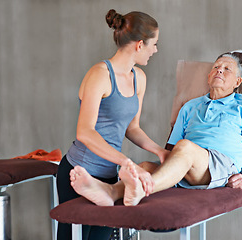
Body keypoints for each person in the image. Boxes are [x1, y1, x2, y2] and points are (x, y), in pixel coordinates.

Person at [69, 53, 242, 208]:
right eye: (216, 67)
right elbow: (172, 150)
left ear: (238, 82)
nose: (219, 71)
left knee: (185, 148)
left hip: (222, 166)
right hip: (187, 163)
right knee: (146, 166)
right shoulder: (190, 106)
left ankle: (144, 188)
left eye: (227, 69)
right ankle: (109, 192)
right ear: (208, 76)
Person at [56, 9, 169, 240]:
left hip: (108, 176)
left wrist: (158, 150)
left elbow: (132, 128)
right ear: (139, 44)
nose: (155, 50)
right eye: (154, 44)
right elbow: (85, 131)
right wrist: (127, 163)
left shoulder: (139, 78)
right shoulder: (100, 75)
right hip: (79, 172)